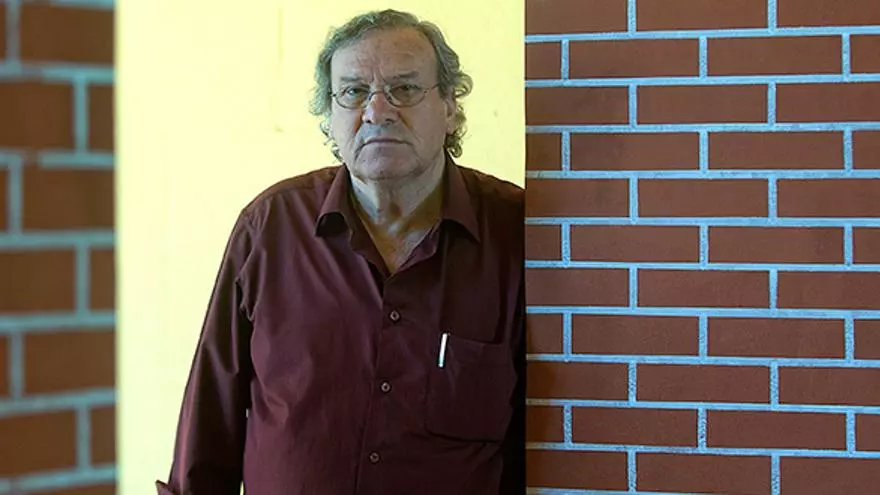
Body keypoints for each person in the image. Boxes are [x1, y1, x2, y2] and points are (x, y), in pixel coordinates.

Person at [157, 9, 525, 495]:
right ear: (329, 118)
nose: (378, 111)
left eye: (405, 88)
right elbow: (210, 422)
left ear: (450, 107)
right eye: (353, 92)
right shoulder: (269, 230)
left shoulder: (516, 236)